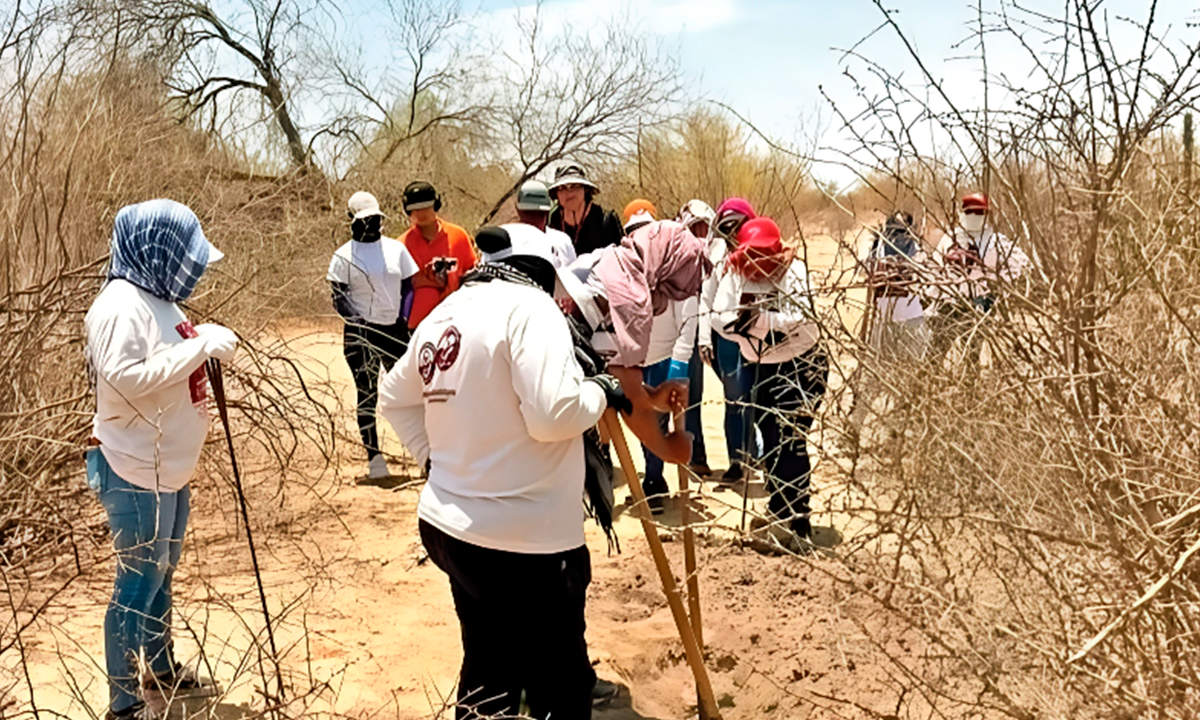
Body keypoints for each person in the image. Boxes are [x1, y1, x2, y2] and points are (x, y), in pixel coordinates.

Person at [378, 225, 632, 720]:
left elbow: (394, 396)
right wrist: (599, 390)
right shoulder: (530, 308)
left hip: (452, 528)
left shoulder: (446, 313)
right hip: (526, 544)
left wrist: (434, 460)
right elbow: (554, 414)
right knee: (557, 687)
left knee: (487, 669)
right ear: (540, 271)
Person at [84, 200, 233, 720]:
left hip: (169, 468)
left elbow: (167, 364)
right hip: (134, 469)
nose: (192, 268)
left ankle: (161, 668)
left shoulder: (159, 299)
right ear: (158, 250)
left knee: (163, 573)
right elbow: (125, 379)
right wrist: (201, 347)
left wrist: (203, 345)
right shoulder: (118, 305)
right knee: (137, 582)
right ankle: (123, 704)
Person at [560, 209, 713, 471]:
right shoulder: (629, 296)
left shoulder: (606, 259)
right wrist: (668, 449)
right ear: (667, 264)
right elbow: (629, 399)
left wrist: (652, 396)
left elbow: (613, 374)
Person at [712, 217, 828, 549]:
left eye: (764, 254)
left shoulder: (796, 272)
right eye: (751, 254)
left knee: (790, 437)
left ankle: (799, 517)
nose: (757, 263)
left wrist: (756, 321)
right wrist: (750, 325)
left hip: (801, 365)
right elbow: (721, 317)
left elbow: (801, 317)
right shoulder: (734, 273)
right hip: (760, 365)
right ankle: (779, 506)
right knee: (767, 431)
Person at [328, 191, 419, 479]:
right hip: (360, 333)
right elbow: (338, 297)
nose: (371, 225)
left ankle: (424, 452)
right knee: (367, 394)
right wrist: (357, 321)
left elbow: (409, 286)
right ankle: (374, 458)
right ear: (351, 221)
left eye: (375, 219)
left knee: (409, 391)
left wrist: (403, 318)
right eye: (364, 220)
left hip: (394, 330)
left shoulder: (396, 250)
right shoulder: (343, 256)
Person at [621, 201, 698, 514]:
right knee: (642, 419)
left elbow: (689, 318)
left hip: (668, 357)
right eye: (633, 232)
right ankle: (654, 477)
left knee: (661, 421)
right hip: (637, 360)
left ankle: (653, 482)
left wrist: (680, 360)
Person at [928, 193, 1029, 366]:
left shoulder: (993, 241)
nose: (973, 217)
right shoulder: (953, 239)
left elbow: (1022, 265)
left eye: (977, 213)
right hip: (959, 303)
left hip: (971, 303)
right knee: (942, 352)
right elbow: (934, 270)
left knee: (963, 353)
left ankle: (962, 389)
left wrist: (996, 285)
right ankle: (928, 388)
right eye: (971, 213)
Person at [697, 198, 757, 482]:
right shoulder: (717, 255)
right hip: (728, 340)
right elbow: (706, 298)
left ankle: (757, 454)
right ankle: (737, 460)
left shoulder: (764, 248)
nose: (733, 234)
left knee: (760, 398)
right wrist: (704, 338)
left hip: (762, 338)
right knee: (734, 401)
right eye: (727, 228)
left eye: (738, 226)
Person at [853, 210, 930, 423]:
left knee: (877, 374)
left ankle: (862, 421)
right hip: (907, 318)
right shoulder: (915, 248)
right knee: (909, 373)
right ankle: (899, 423)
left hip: (887, 319)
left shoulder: (878, 248)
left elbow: (862, 271)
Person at [399, 180, 478, 329]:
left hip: (455, 321)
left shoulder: (458, 236)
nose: (421, 213)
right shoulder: (401, 245)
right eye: (415, 209)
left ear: (436, 205)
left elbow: (472, 275)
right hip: (417, 327)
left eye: (426, 207)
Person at [676, 199, 717, 476]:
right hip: (685, 333)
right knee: (685, 396)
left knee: (697, 398)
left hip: (712, 332)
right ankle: (691, 455)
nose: (701, 234)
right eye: (695, 228)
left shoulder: (721, 253)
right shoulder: (676, 256)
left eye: (705, 227)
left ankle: (698, 456)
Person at [547, 163, 623, 257]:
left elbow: (621, 258)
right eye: (562, 188)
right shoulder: (552, 222)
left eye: (575, 186)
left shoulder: (606, 220)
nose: (569, 192)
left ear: (585, 189)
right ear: (556, 194)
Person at [513, 179, 576, 267]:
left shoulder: (562, 242)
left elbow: (572, 277)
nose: (533, 219)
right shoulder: (509, 241)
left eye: (539, 214)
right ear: (519, 212)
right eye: (528, 213)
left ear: (546, 214)